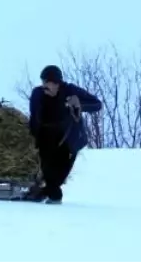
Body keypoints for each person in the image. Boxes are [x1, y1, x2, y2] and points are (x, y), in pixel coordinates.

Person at [26, 64, 102, 203]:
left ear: (57, 83)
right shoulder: (38, 94)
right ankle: (48, 195)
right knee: (48, 172)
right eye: (43, 82)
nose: (45, 86)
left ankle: (46, 194)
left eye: (48, 83)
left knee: (58, 176)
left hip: (69, 140)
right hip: (46, 137)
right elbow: (34, 116)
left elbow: (97, 104)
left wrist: (79, 105)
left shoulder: (70, 91)